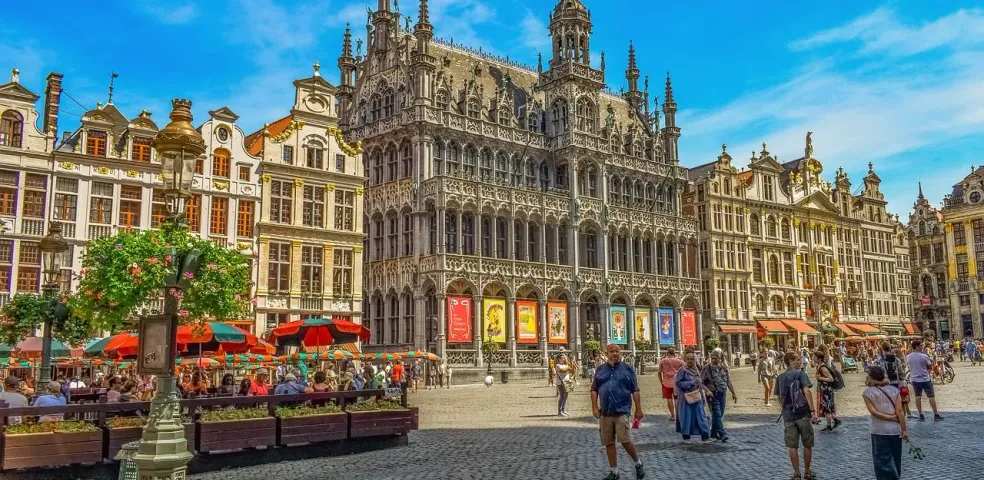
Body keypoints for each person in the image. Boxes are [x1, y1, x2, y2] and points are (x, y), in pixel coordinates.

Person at [591, 344, 645, 480]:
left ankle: (638, 463)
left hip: (622, 410)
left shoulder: (627, 369)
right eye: (612, 351)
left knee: (625, 440)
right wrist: (594, 407)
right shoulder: (600, 370)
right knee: (608, 442)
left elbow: (635, 389)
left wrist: (638, 408)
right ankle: (614, 472)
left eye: (617, 351)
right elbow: (594, 389)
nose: (615, 354)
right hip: (606, 412)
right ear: (606, 353)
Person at [775, 351, 818, 480]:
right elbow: (807, 391)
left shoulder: (780, 378)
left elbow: (779, 398)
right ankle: (807, 472)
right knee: (807, 444)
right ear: (791, 361)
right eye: (797, 359)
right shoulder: (801, 374)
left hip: (788, 415)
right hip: (803, 413)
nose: (800, 361)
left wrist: (787, 408)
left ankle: (797, 473)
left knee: (792, 446)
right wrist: (812, 410)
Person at [863, 366, 907, 480]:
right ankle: (896, 476)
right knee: (896, 458)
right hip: (895, 430)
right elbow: (900, 411)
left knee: (882, 461)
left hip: (879, 430)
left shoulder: (868, 393)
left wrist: (889, 418)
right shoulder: (894, 390)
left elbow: (873, 412)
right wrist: (904, 429)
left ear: (871, 377)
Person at [675, 351, 712, 443]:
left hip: (697, 396)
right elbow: (678, 384)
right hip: (685, 398)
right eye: (688, 359)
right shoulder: (682, 370)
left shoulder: (697, 370)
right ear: (685, 359)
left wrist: (706, 391)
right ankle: (686, 436)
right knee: (687, 417)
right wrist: (690, 383)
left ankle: (705, 436)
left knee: (701, 416)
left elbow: (700, 383)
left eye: (691, 359)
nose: (690, 361)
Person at [702, 350, 737, 442]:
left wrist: (733, 393)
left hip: (723, 394)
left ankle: (713, 434)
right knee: (717, 414)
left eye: (715, 358)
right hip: (713, 395)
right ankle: (722, 433)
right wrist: (707, 390)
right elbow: (700, 383)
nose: (713, 360)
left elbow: (728, 381)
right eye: (712, 358)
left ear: (720, 359)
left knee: (719, 415)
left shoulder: (724, 368)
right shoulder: (707, 368)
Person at [906, 340, 943, 421]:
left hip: (915, 379)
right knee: (931, 397)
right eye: (920, 346)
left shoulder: (908, 356)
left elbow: (909, 366)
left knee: (917, 397)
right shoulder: (924, 356)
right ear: (916, 346)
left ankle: (920, 414)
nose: (922, 347)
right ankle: (936, 414)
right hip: (925, 379)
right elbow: (930, 366)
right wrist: (927, 372)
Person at [813, 350, 841, 432]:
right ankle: (836, 420)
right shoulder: (820, 366)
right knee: (828, 407)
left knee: (827, 408)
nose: (813, 359)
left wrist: (820, 378)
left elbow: (831, 379)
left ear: (819, 359)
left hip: (827, 390)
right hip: (825, 389)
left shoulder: (823, 368)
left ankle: (829, 426)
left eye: (815, 357)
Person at [657, 347, 685, 422]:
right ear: (674, 353)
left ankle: (672, 415)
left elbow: (659, 372)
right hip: (677, 383)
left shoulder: (663, 360)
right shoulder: (679, 361)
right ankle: (678, 415)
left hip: (666, 383)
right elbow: (685, 369)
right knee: (677, 399)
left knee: (669, 399)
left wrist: (661, 381)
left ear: (667, 352)